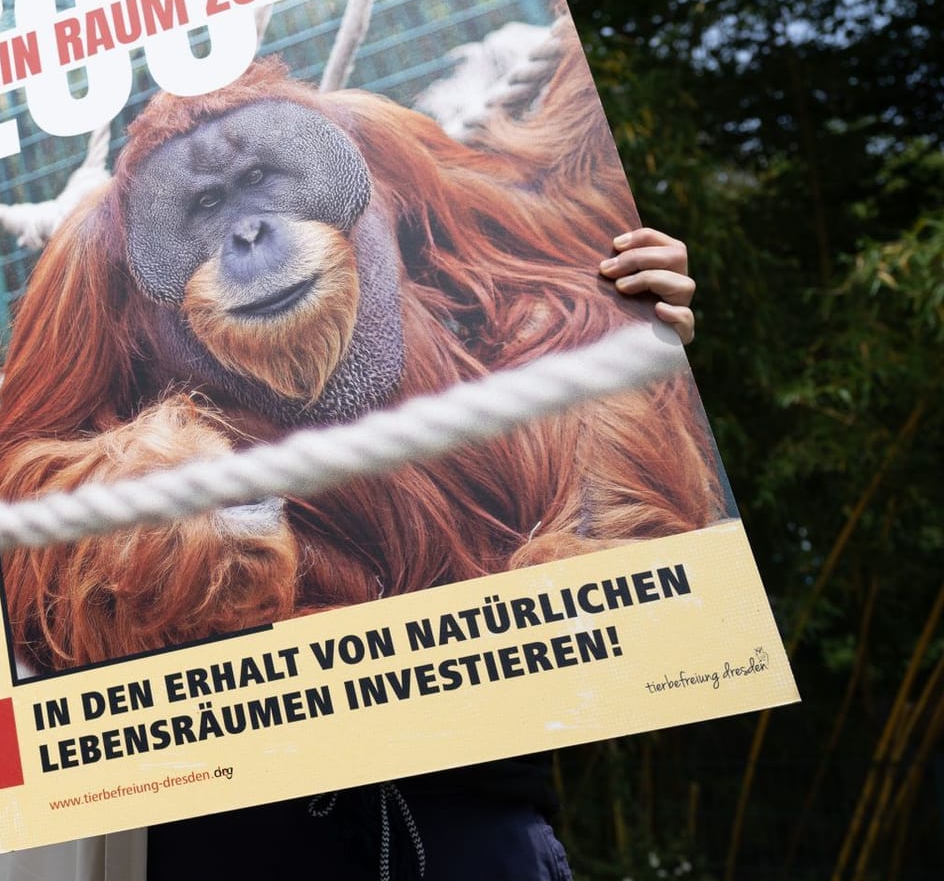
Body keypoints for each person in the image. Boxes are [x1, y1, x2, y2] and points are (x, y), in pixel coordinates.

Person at [147, 227, 697, 880]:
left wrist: (639, 311)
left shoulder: (427, 198)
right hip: (237, 818)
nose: (249, 234)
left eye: (264, 179)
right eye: (206, 208)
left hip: (465, 813)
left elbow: (569, 300)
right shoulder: (98, 286)